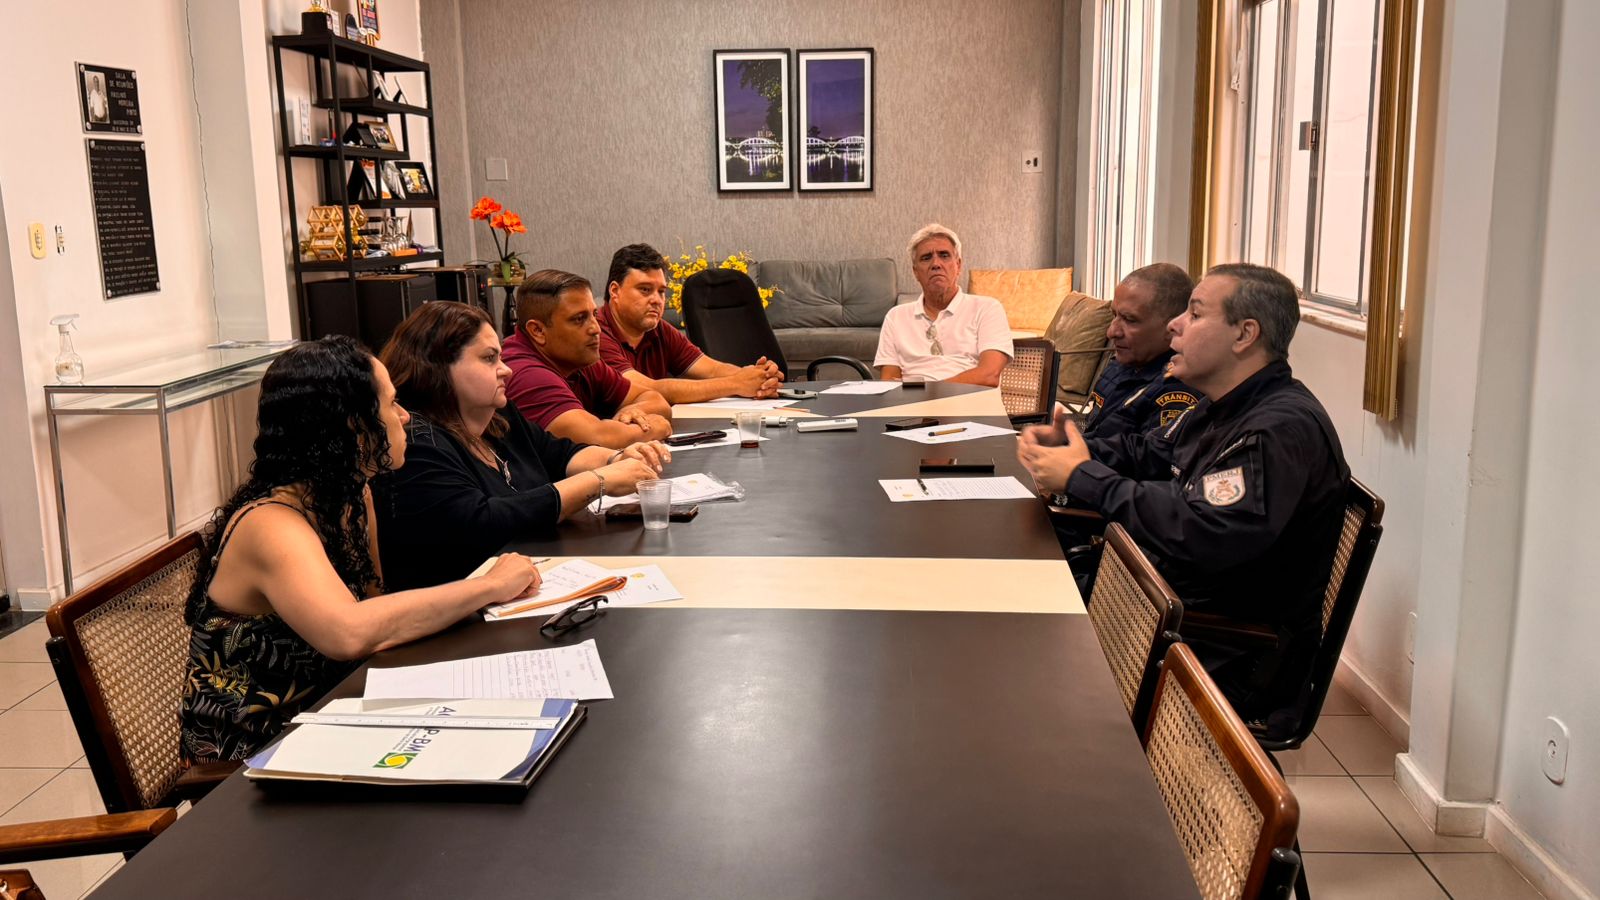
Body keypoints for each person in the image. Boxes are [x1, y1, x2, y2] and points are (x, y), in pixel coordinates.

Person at [181, 337, 545, 762]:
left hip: (332, 717)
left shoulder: (353, 496)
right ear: (353, 423)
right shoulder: (271, 524)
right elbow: (350, 633)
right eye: (392, 405)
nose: (406, 417)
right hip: (256, 758)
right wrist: (489, 585)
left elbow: (377, 613)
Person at [1017, 263, 1349, 723]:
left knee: (1015, 649)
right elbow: (1152, 453)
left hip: (1222, 646)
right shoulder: (1225, 405)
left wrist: (1082, 477)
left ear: (1244, 335)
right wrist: (1076, 449)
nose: (1176, 324)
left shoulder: (1276, 430)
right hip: (1167, 603)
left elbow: (1203, 529)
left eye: (1194, 314)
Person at [374, 302, 669, 590]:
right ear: (438, 367)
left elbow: (561, 454)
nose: (506, 370)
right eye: (489, 359)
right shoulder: (415, 443)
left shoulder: (499, 415)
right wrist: (599, 481)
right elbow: (482, 524)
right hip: (461, 616)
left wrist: (616, 458)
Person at [503, 268, 675, 448]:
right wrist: (655, 427)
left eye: (594, 315)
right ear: (537, 331)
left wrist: (632, 412)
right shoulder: (526, 374)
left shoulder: (578, 358)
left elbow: (655, 400)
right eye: (579, 319)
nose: (596, 329)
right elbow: (600, 439)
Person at [596, 243, 785, 403]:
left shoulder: (659, 329)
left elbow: (710, 369)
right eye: (645, 290)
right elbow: (646, 389)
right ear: (615, 291)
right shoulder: (595, 333)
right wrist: (738, 384)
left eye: (661, 292)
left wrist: (758, 377)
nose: (657, 300)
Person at [874, 223, 1013, 385]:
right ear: (915, 272)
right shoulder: (895, 316)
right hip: (912, 406)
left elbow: (989, 375)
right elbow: (889, 381)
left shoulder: (987, 309)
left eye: (944, 255)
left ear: (958, 265)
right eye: (926, 258)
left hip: (969, 402)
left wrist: (929, 395)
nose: (936, 264)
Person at [1083, 263, 1198, 439]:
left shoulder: (1175, 391)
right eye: (1114, 315)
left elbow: (1142, 462)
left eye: (1129, 319)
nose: (1112, 332)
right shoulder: (1121, 363)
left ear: (1172, 327)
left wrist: (1076, 453)